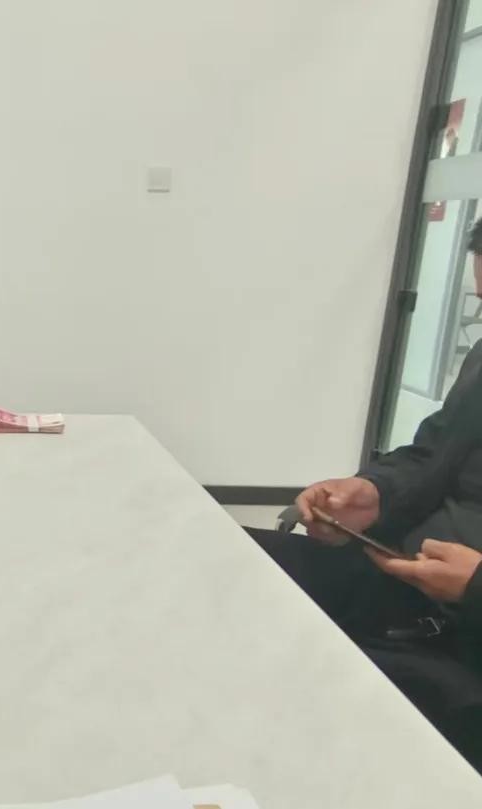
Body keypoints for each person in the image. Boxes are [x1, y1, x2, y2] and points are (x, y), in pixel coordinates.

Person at [248, 217, 482, 771]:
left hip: (462, 640)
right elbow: (430, 454)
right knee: (230, 565)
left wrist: (475, 588)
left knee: (290, 691)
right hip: (404, 580)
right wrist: (372, 496)